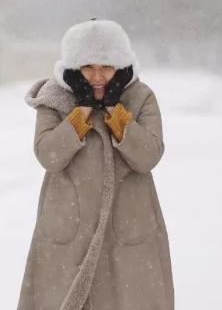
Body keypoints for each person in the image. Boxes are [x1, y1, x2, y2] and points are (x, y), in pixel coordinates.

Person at [17, 19, 174, 310]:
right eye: (88, 67)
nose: (98, 76)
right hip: (68, 231)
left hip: (128, 232)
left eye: (107, 66)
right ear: (74, 69)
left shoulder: (140, 98)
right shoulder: (53, 99)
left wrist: (116, 111)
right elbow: (49, 155)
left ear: (121, 66)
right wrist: (83, 111)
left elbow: (148, 156)